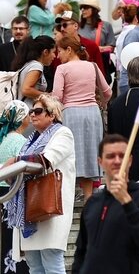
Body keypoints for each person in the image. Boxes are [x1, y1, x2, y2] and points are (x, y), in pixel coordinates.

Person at [5, 96, 75, 273]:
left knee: (52, 264)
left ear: (52, 115)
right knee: (35, 267)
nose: (33, 115)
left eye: (38, 111)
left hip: (50, 207)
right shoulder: (30, 141)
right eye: (31, 112)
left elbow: (45, 160)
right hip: (29, 209)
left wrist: (15, 160)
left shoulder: (63, 133)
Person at [72, 133, 139, 273]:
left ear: (130, 160)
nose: (117, 161)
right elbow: (81, 252)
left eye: (122, 156)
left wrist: (127, 202)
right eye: (110, 156)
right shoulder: (93, 203)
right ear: (100, 162)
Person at [51, 35, 111, 201]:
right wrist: (102, 105)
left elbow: (57, 96)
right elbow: (108, 92)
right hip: (92, 114)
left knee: (71, 155)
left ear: (69, 50)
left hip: (71, 113)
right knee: (89, 154)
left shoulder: (62, 69)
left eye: (60, 51)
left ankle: (68, 199)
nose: (57, 55)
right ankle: (88, 199)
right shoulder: (92, 66)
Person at [0, 101, 31, 274]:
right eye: (27, 114)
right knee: (12, 240)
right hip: (12, 193)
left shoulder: (2, 138)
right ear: (22, 119)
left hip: (1, 192)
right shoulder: (21, 142)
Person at [11, 36, 56, 109]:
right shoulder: (36, 66)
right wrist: (47, 96)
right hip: (28, 111)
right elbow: (26, 89)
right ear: (45, 52)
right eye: (53, 52)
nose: (54, 56)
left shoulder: (29, 64)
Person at [77, 0, 116, 81]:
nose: (83, 10)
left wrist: (97, 49)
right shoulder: (77, 27)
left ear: (94, 10)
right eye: (82, 8)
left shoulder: (106, 26)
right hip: (81, 66)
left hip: (100, 65)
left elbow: (111, 47)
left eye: (86, 8)